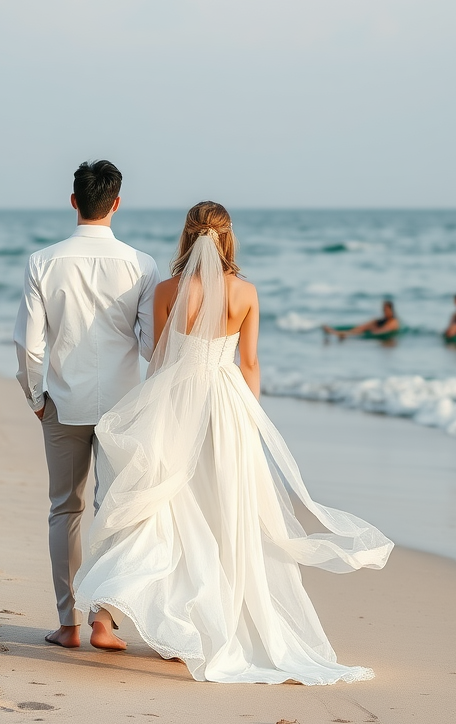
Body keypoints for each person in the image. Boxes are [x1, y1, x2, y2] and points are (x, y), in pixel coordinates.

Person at [74, 202, 393, 685]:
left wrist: (155, 412)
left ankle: (108, 615)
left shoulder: (166, 290)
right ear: (228, 239)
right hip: (225, 408)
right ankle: (200, 631)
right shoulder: (244, 293)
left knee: (160, 509)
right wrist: (251, 418)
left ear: (187, 237)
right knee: (225, 516)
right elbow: (250, 363)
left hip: (174, 401)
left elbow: (158, 361)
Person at [14, 161, 160, 650]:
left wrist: (35, 395)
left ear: (74, 200)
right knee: (112, 509)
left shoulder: (43, 262)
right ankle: (104, 618)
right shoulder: (142, 265)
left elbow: (30, 344)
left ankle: (68, 623)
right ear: (116, 203)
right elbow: (148, 344)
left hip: (62, 400)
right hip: (123, 403)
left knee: (65, 509)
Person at [323, 299, 400, 339]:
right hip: (377, 329)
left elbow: (384, 330)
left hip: (385, 339)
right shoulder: (382, 320)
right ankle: (341, 333)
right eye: (383, 309)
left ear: (391, 310)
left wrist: (375, 329)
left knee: (363, 331)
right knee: (364, 326)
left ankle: (340, 334)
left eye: (386, 310)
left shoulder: (393, 322)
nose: (384, 312)